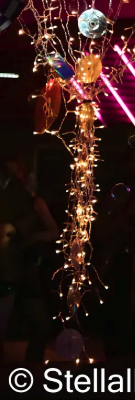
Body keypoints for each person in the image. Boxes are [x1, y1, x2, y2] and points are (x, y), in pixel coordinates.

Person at [92, 140, 135, 358]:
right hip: (119, 270)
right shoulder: (118, 192)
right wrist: (131, 210)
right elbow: (100, 230)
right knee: (117, 336)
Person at [0, 153, 57, 362]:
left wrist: (31, 238)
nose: (13, 177)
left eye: (17, 172)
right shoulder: (6, 202)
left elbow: (53, 231)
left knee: (39, 325)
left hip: (27, 269)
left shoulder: (34, 202)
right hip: (6, 271)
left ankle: (34, 369)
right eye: (8, 173)